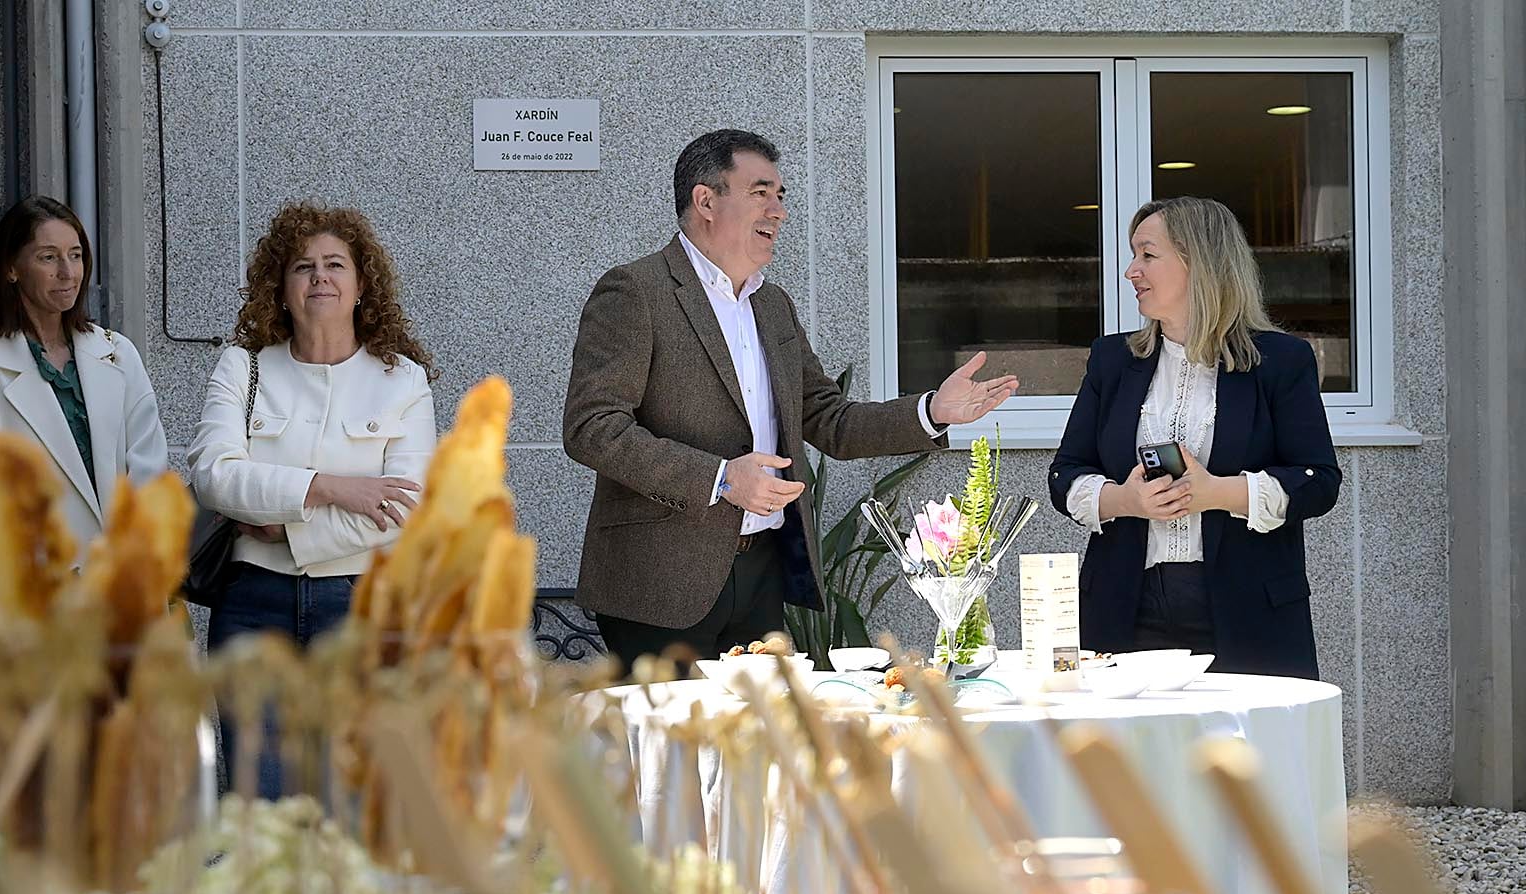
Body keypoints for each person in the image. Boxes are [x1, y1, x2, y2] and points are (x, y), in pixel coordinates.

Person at [563, 129, 1017, 675]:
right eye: (761, 193)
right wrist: (721, 478)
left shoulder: (772, 304)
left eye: (782, 196)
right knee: (677, 755)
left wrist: (932, 411)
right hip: (661, 582)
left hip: (762, 576)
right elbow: (593, 427)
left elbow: (829, 419)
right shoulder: (636, 291)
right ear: (706, 201)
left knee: (758, 753)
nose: (778, 211)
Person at [188, 201, 436, 797]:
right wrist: (329, 488)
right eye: (302, 267)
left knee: (350, 802)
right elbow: (214, 475)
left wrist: (286, 526)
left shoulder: (401, 379)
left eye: (334, 265)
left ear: (359, 287)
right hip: (252, 607)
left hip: (358, 608)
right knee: (262, 807)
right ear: (281, 289)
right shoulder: (242, 368)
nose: (319, 277)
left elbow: (404, 508)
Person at [1048, 196, 1341, 679]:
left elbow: (1319, 481)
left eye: (1147, 254)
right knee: (1123, 756)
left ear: (1199, 261)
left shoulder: (1281, 361)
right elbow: (1066, 474)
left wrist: (1217, 493)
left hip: (1248, 611)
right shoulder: (1112, 360)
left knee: (1241, 755)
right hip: (1125, 608)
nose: (1130, 271)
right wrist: (1126, 500)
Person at [0, 196, 170, 611]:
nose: (68, 273)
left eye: (76, 255)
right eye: (49, 257)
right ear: (11, 268)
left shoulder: (117, 353)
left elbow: (150, 470)